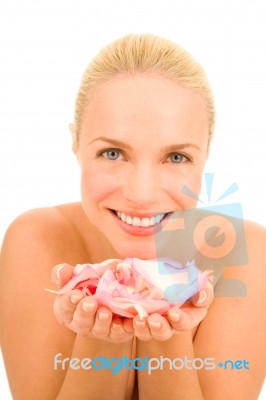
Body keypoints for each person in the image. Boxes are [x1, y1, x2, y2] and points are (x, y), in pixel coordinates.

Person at [0, 33, 265, 400]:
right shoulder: (36, 238)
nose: (142, 195)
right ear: (76, 143)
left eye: (176, 157)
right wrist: (100, 339)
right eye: (112, 153)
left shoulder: (247, 251)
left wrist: (168, 333)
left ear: (205, 154)